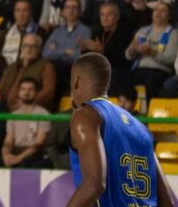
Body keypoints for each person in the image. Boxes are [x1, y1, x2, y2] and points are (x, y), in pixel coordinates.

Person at [66, 52, 172, 207]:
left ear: (75, 81)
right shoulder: (141, 127)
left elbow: (95, 183)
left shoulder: (86, 115)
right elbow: (167, 201)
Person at [124, 1, 177, 101]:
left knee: (150, 80)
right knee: (120, 78)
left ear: (169, 16)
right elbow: (127, 55)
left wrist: (151, 52)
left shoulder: (173, 34)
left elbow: (171, 58)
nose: (158, 13)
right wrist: (132, 49)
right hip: (139, 69)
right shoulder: (143, 31)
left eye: (163, 10)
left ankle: (149, 113)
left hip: (160, 71)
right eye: (156, 9)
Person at [0, 77, 52, 168]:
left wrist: (19, 158)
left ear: (36, 93)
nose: (26, 92)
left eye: (30, 89)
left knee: (24, 164)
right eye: (23, 89)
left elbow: (39, 143)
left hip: (34, 153)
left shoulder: (44, 114)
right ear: (19, 92)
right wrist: (5, 155)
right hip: (16, 150)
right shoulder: (13, 115)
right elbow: (8, 140)